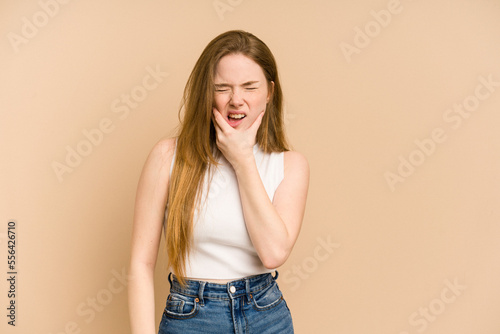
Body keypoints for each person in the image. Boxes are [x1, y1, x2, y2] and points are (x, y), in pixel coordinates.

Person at [128, 30, 309, 334]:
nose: (236, 100)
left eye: (250, 87)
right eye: (222, 88)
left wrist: (242, 160)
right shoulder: (167, 157)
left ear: (269, 92)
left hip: (266, 315)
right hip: (191, 317)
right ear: (206, 93)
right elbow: (140, 266)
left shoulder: (290, 165)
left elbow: (274, 253)